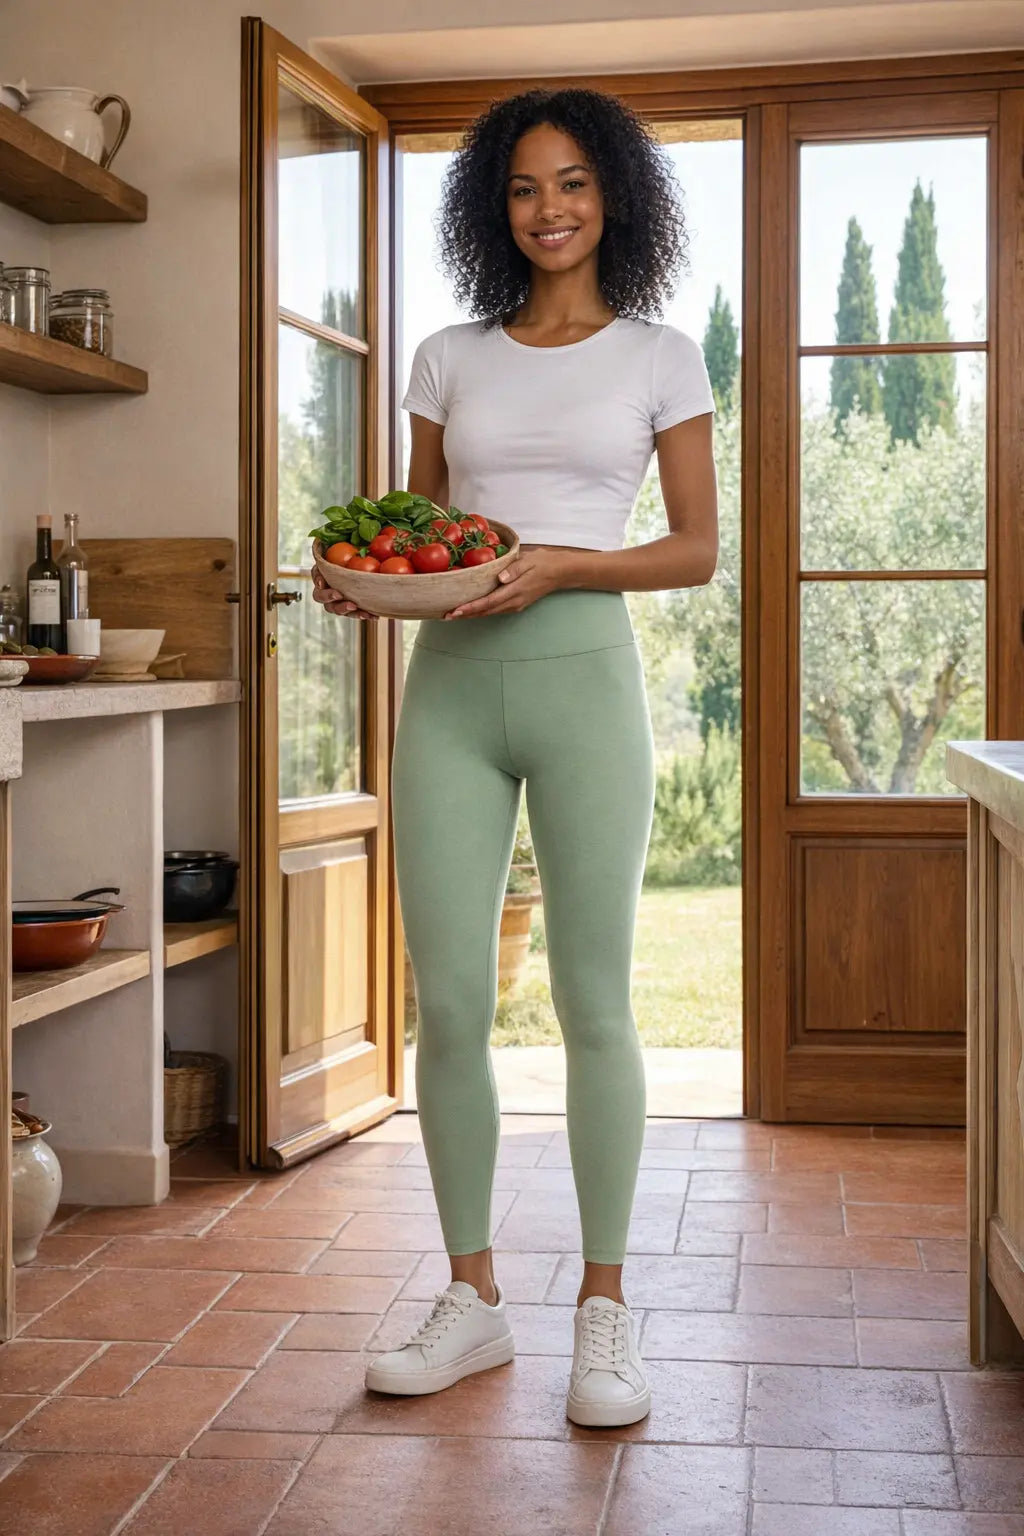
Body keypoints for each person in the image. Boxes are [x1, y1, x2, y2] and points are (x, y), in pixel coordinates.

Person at [312, 86, 718, 1429]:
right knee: (452, 1006)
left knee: (597, 1004)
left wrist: (560, 568)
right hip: (451, 693)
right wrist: (360, 578)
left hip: (588, 677)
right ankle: (473, 1300)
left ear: (617, 201)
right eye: (526, 188)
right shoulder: (448, 355)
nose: (549, 210)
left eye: (575, 185)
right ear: (498, 206)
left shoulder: (661, 354)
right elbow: (417, 534)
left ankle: (605, 1313)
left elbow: (695, 550)